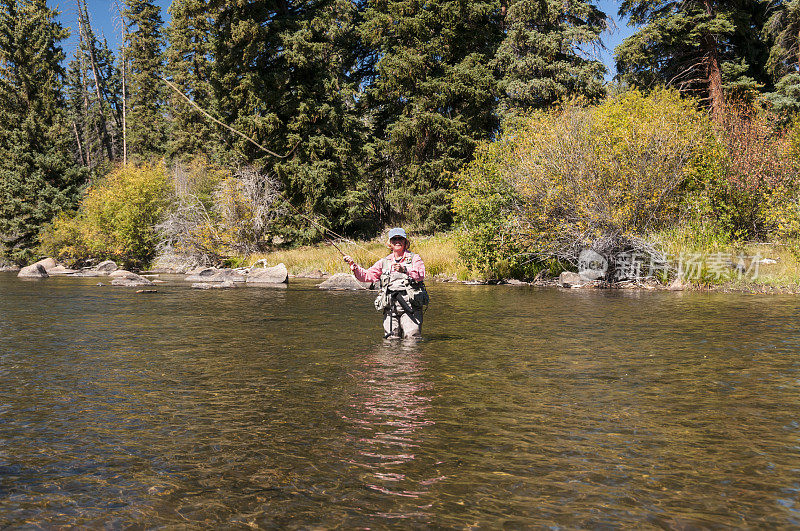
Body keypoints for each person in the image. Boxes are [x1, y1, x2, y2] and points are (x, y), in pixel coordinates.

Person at [343, 228, 428, 339]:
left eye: (400, 238)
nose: (397, 241)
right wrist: (353, 265)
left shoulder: (414, 258)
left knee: (411, 339)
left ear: (405, 242)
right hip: (390, 306)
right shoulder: (384, 262)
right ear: (390, 243)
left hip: (410, 306)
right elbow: (367, 276)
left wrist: (405, 270)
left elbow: (421, 275)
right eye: (394, 239)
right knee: (391, 341)